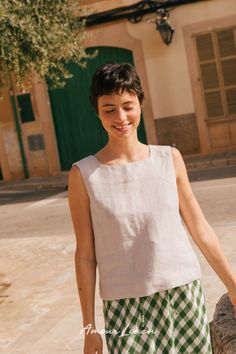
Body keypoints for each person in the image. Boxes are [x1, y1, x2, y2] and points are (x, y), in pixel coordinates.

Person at [68, 62, 236, 354]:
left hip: (183, 295)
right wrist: (89, 327)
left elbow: (200, 227)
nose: (120, 117)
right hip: (124, 308)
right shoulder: (83, 174)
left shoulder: (169, 159)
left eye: (128, 106)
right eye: (109, 109)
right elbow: (85, 254)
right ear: (97, 112)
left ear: (141, 104)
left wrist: (233, 286)